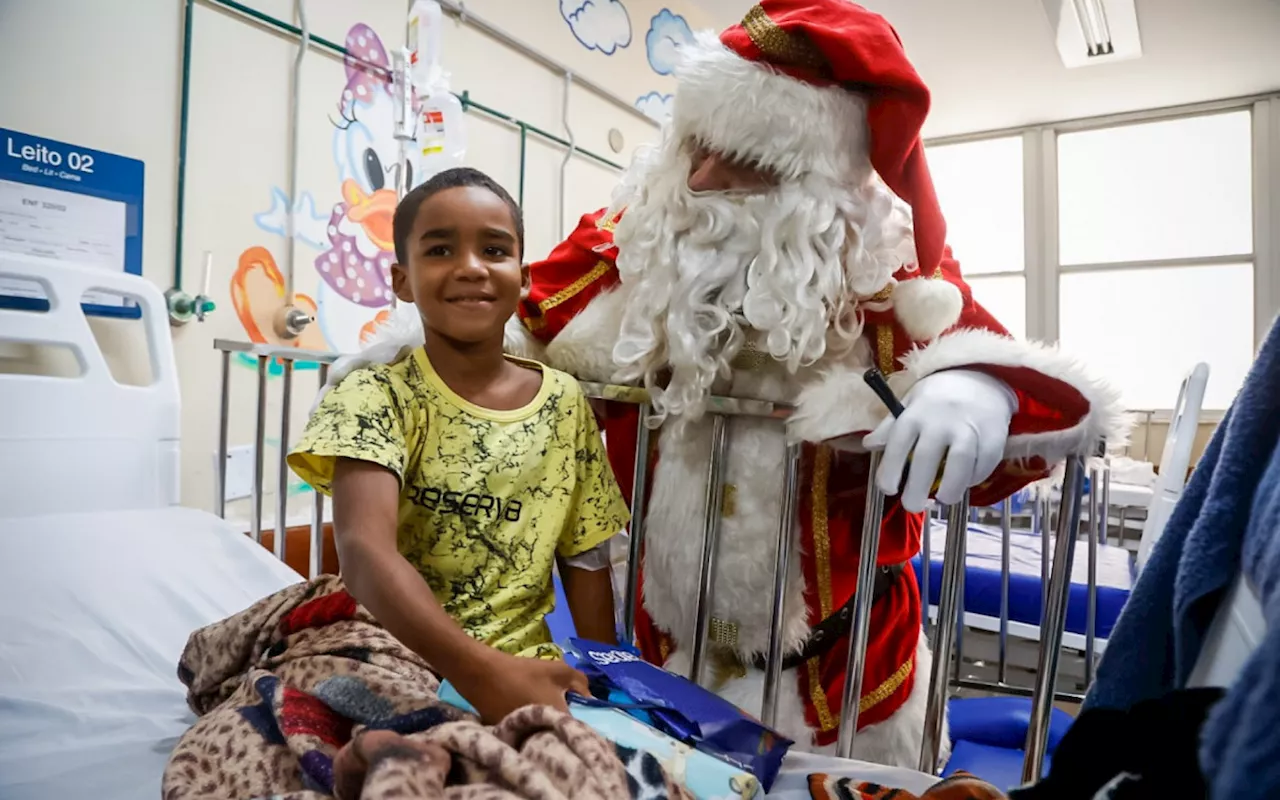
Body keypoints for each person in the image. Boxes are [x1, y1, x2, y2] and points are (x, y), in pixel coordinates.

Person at [332, 1, 1126, 768]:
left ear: (814, 184)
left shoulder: (889, 282)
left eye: (743, 162)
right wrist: (408, 363)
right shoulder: (630, 245)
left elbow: (1028, 403)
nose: (703, 177)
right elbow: (516, 316)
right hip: (666, 666)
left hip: (847, 691)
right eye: (696, 145)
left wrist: (973, 386)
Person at [287, 167, 631, 725]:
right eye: (441, 249)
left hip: (525, 671)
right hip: (392, 659)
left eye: (493, 249)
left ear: (521, 277)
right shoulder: (376, 394)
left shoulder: (563, 404)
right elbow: (364, 551)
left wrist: (605, 686)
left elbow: (585, 556)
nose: (470, 267)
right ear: (402, 279)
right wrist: (481, 675)